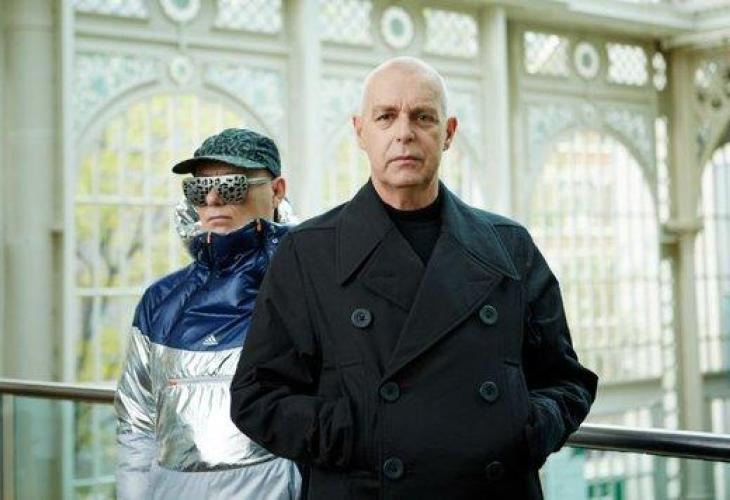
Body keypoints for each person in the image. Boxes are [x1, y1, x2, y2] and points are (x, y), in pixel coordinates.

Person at [229, 58, 598, 499]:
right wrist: (362, 432)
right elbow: (256, 398)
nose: (404, 132)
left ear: (449, 132)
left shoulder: (509, 245)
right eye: (386, 116)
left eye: (423, 117)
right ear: (360, 132)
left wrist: (521, 428)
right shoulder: (307, 252)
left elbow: (567, 381)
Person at [115, 128, 301, 500]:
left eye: (231, 185)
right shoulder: (160, 301)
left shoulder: (308, 289)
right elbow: (136, 425)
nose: (213, 198)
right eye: (198, 189)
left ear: (277, 190)